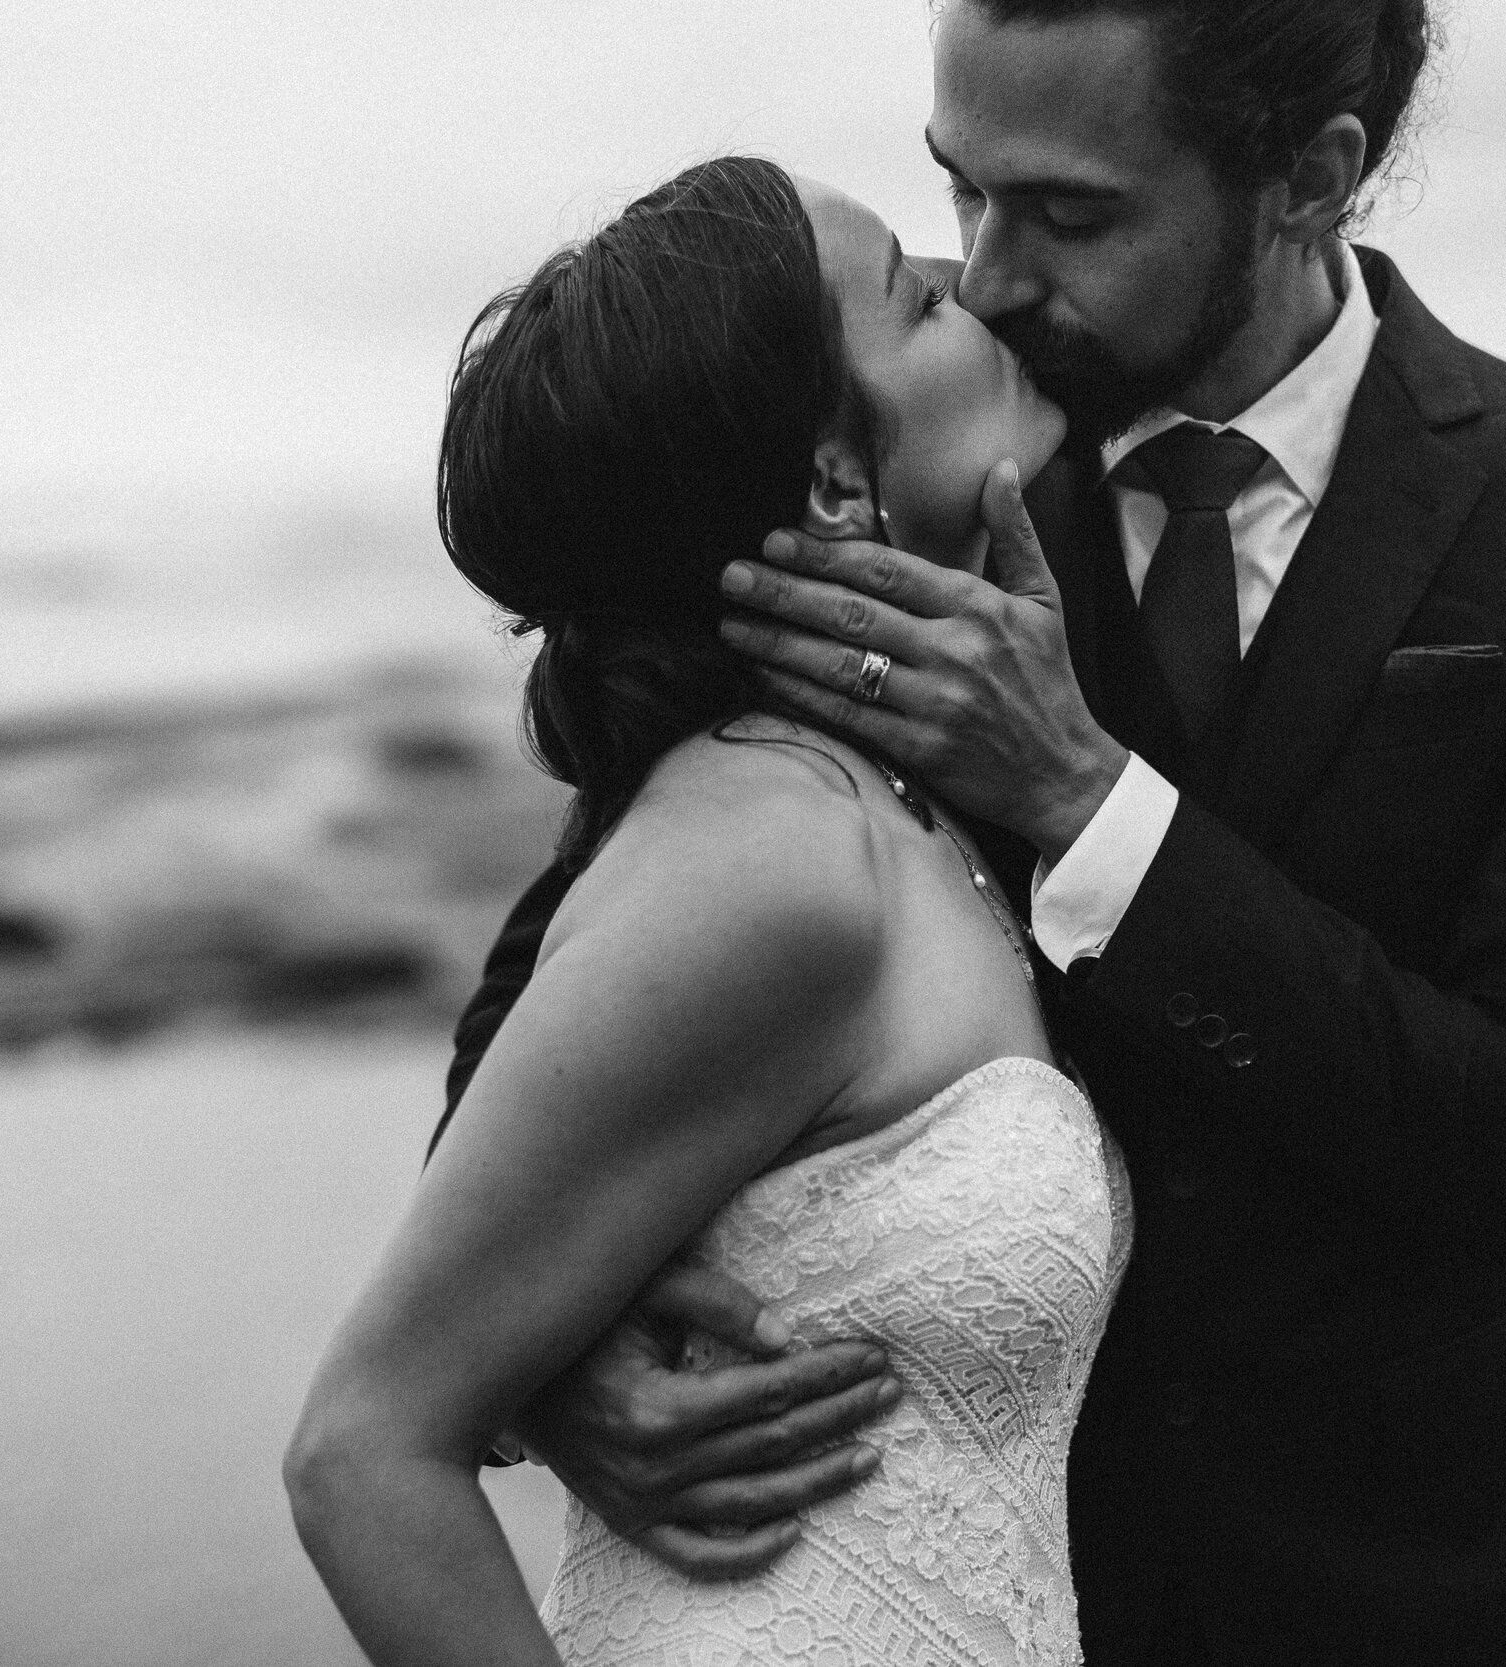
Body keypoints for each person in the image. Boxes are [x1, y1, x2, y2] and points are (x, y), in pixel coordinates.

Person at [450, 2, 1506, 1663]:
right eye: (959, 191)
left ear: (1305, 177)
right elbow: (557, 984)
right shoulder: (919, 446)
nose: (984, 276)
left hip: (1388, 1581)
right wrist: (553, 1354)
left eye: (1068, 216)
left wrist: (1087, 804)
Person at [285, 156, 1134, 1666]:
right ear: (827, 478)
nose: (967, 285)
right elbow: (360, 1450)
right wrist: (529, 1359)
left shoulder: (902, 802)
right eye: (907, 296)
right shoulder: (772, 847)